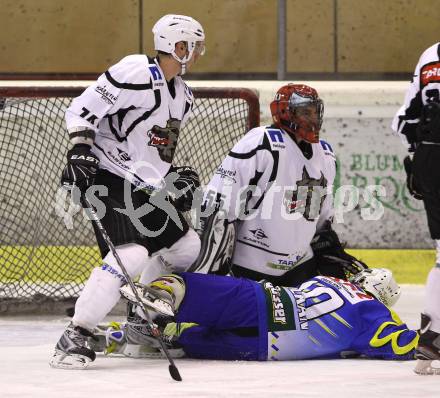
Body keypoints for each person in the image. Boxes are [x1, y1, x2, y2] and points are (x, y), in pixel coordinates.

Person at [50, 14, 205, 369]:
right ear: (178, 46)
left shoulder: (183, 94)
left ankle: (141, 321)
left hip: (143, 185)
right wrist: (80, 148)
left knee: (186, 246)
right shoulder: (135, 71)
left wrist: (169, 177)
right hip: (105, 174)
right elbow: (82, 109)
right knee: (131, 254)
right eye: (193, 46)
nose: (198, 53)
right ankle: (75, 334)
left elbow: (153, 147)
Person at [191, 83, 367, 286]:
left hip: (299, 269)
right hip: (249, 268)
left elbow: (321, 222)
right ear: (284, 113)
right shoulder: (263, 142)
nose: (312, 119)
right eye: (304, 112)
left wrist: (327, 247)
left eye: (314, 112)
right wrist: (213, 262)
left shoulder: (326, 154)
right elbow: (219, 203)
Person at [94, 268, 417, 362]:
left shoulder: (329, 280)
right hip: (270, 347)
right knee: (188, 343)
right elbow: (401, 345)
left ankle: (163, 294)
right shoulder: (372, 311)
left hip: (265, 300)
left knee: (190, 284)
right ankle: (153, 339)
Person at [391, 42, 440, 375]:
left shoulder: (430, 55)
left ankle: (431, 336)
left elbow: (403, 120)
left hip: (431, 158)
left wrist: (419, 156)